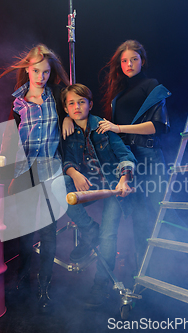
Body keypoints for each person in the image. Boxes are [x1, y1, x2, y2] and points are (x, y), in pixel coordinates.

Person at [0, 44, 69, 313]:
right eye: (36, 71)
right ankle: (23, 280)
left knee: (49, 231)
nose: (41, 77)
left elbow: (79, 103)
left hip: (51, 168)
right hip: (24, 171)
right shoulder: (17, 102)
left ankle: (44, 287)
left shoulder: (58, 96)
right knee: (25, 231)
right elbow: (9, 141)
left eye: (46, 72)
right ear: (27, 68)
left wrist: (68, 118)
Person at [51, 83, 136, 307]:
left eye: (81, 102)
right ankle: (90, 229)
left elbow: (125, 155)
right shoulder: (68, 131)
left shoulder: (102, 126)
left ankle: (101, 287)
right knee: (60, 184)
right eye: (71, 103)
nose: (77, 107)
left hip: (112, 186)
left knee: (108, 237)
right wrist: (75, 174)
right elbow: (67, 160)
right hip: (87, 185)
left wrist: (124, 178)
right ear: (66, 109)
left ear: (90, 104)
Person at [97, 40, 171, 267]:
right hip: (129, 159)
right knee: (139, 216)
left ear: (142, 61)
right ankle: (144, 270)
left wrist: (118, 128)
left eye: (134, 59)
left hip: (149, 154)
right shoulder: (118, 94)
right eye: (124, 61)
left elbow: (156, 127)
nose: (129, 64)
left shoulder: (151, 85)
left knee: (164, 212)